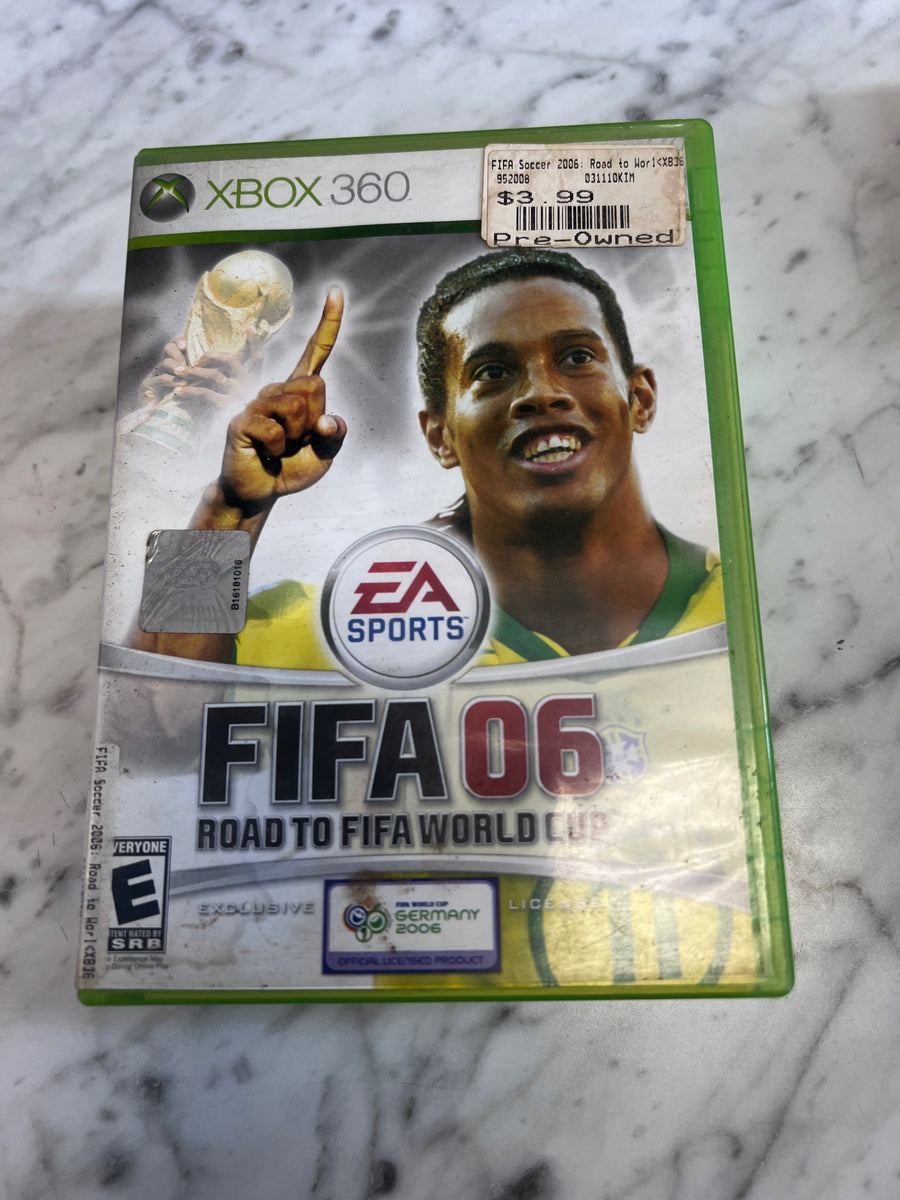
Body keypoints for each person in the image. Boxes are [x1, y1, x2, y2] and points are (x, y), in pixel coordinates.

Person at [133, 249, 723, 667]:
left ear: (640, 398)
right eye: (492, 371)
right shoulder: (348, 627)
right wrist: (229, 506)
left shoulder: (743, 605)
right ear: (440, 437)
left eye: (576, 358)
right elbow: (145, 716)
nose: (542, 393)